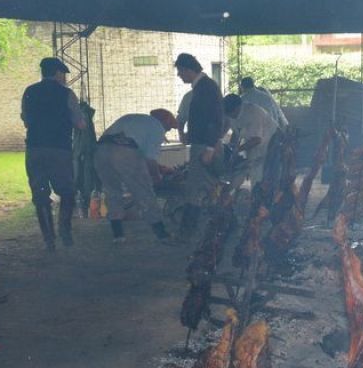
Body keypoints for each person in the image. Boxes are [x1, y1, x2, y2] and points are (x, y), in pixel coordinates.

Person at [21, 57, 86, 251]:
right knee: (67, 191)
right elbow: (80, 123)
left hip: (34, 149)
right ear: (57, 73)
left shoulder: (29, 92)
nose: (64, 78)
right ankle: (65, 231)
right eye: (63, 74)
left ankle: (49, 239)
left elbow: (26, 120)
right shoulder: (67, 94)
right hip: (59, 149)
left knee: (40, 195)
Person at [94, 109, 177, 244]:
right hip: (124, 151)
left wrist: (160, 168)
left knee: (112, 191)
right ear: (165, 122)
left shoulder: (134, 118)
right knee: (144, 192)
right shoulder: (157, 127)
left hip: (101, 151)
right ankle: (162, 233)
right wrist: (157, 177)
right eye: (169, 128)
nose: (167, 131)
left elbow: (141, 156)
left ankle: (118, 235)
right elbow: (149, 159)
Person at [174, 53, 225, 227]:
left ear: (188, 70)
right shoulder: (204, 87)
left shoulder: (206, 88)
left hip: (204, 145)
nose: (179, 75)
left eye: (180, 71)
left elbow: (215, 119)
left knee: (195, 188)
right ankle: (217, 223)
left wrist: (209, 149)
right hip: (204, 143)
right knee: (206, 186)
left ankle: (188, 230)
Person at [222, 93, 278, 187]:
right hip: (253, 146)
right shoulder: (231, 114)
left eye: (231, 113)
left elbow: (257, 140)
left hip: (270, 145)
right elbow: (236, 133)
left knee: (259, 175)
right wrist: (232, 148)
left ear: (237, 108)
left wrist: (237, 150)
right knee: (250, 171)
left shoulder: (253, 113)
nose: (229, 116)